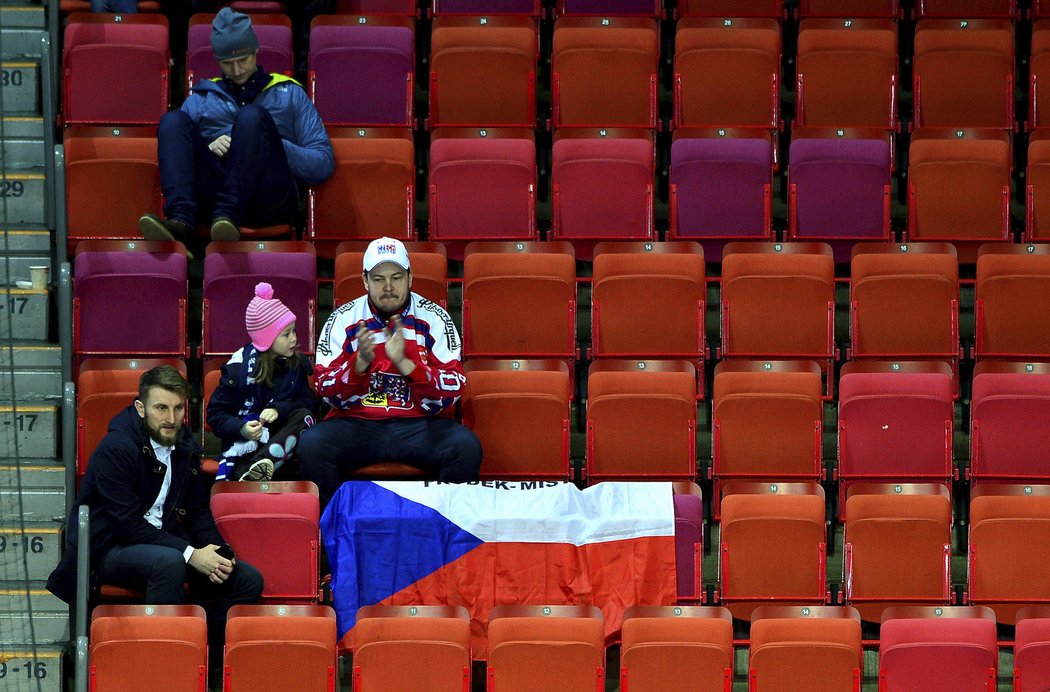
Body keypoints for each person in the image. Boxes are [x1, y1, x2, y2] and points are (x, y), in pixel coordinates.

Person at [47, 365, 263, 681]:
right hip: (107, 549)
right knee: (169, 562)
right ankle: (163, 670)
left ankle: (203, 662)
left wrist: (218, 553)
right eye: (161, 408)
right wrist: (192, 554)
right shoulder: (116, 449)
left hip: (163, 545)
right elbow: (127, 525)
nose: (171, 418)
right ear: (141, 408)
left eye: (177, 408)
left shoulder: (184, 447)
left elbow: (199, 513)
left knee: (246, 578)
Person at [299, 237, 482, 507]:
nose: (388, 287)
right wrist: (358, 366)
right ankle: (335, 534)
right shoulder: (343, 319)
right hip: (357, 424)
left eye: (396, 277)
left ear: (410, 277)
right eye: (378, 279)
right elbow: (324, 388)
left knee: (466, 447)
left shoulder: (435, 318)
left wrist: (408, 366)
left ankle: (442, 529)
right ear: (364, 280)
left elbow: (453, 389)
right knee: (312, 446)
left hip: (420, 425)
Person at [139, 7, 334, 246]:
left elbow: (323, 164)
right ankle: (181, 223)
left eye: (243, 60)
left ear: (256, 51)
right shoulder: (202, 98)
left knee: (251, 117)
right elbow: (178, 156)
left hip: (269, 200)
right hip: (213, 203)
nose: (237, 70)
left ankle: (228, 213)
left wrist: (269, 145)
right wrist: (209, 148)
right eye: (228, 63)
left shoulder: (289, 93)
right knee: (172, 120)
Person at [208, 282, 316, 482]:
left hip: (282, 440)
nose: (293, 339)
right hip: (246, 442)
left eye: (294, 331)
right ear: (267, 339)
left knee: (306, 417)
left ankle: (255, 471)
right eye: (286, 334)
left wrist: (279, 409)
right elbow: (215, 415)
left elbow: (308, 402)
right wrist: (242, 429)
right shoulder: (237, 369)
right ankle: (255, 469)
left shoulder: (296, 363)